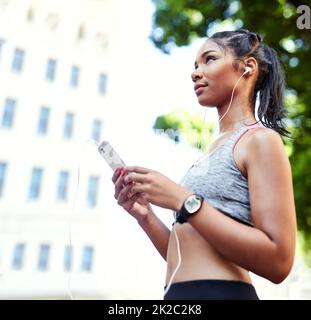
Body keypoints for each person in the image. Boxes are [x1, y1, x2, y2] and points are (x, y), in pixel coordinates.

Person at [111, 29, 297, 300]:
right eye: (195, 65)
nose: (195, 72)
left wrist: (184, 200)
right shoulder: (211, 151)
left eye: (209, 59)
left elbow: (279, 261)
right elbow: (186, 258)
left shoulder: (260, 140)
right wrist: (145, 215)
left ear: (248, 67)